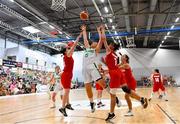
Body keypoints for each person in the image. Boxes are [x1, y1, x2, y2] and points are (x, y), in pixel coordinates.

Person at [102, 25, 148, 121]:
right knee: (126, 90)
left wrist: (102, 31)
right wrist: (106, 69)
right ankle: (141, 99)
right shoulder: (115, 55)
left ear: (112, 47)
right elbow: (114, 67)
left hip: (115, 74)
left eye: (110, 45)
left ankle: (111, 113)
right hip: (118, 73)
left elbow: (103, 40)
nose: (108, 45)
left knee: (112, 95)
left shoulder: (110, 52)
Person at [81, 25, 121, 113]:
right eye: (94, 43)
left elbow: (101, 40)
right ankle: (92, 103)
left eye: (96, 43)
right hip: (84, 69)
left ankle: (115, 98)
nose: (95, 43)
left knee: (103, 85)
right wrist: (84, 30)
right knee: (87, 87)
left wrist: (99, 31)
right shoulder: (87, 48)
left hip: (92, 68)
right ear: (91, 45)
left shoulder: (96, 50)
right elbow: (85, 40)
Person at [59, 32, 82, 117]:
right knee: (67, 91)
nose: (70, 49)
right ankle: (62, 107)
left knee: (67, 91)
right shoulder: (67, 55)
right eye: (68, 49)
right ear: (66, 51)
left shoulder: (68, 56)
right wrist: (79, 36)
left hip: (68, 74)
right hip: (66, 75)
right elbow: (74, 45)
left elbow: (71, 47)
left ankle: (68, 104)